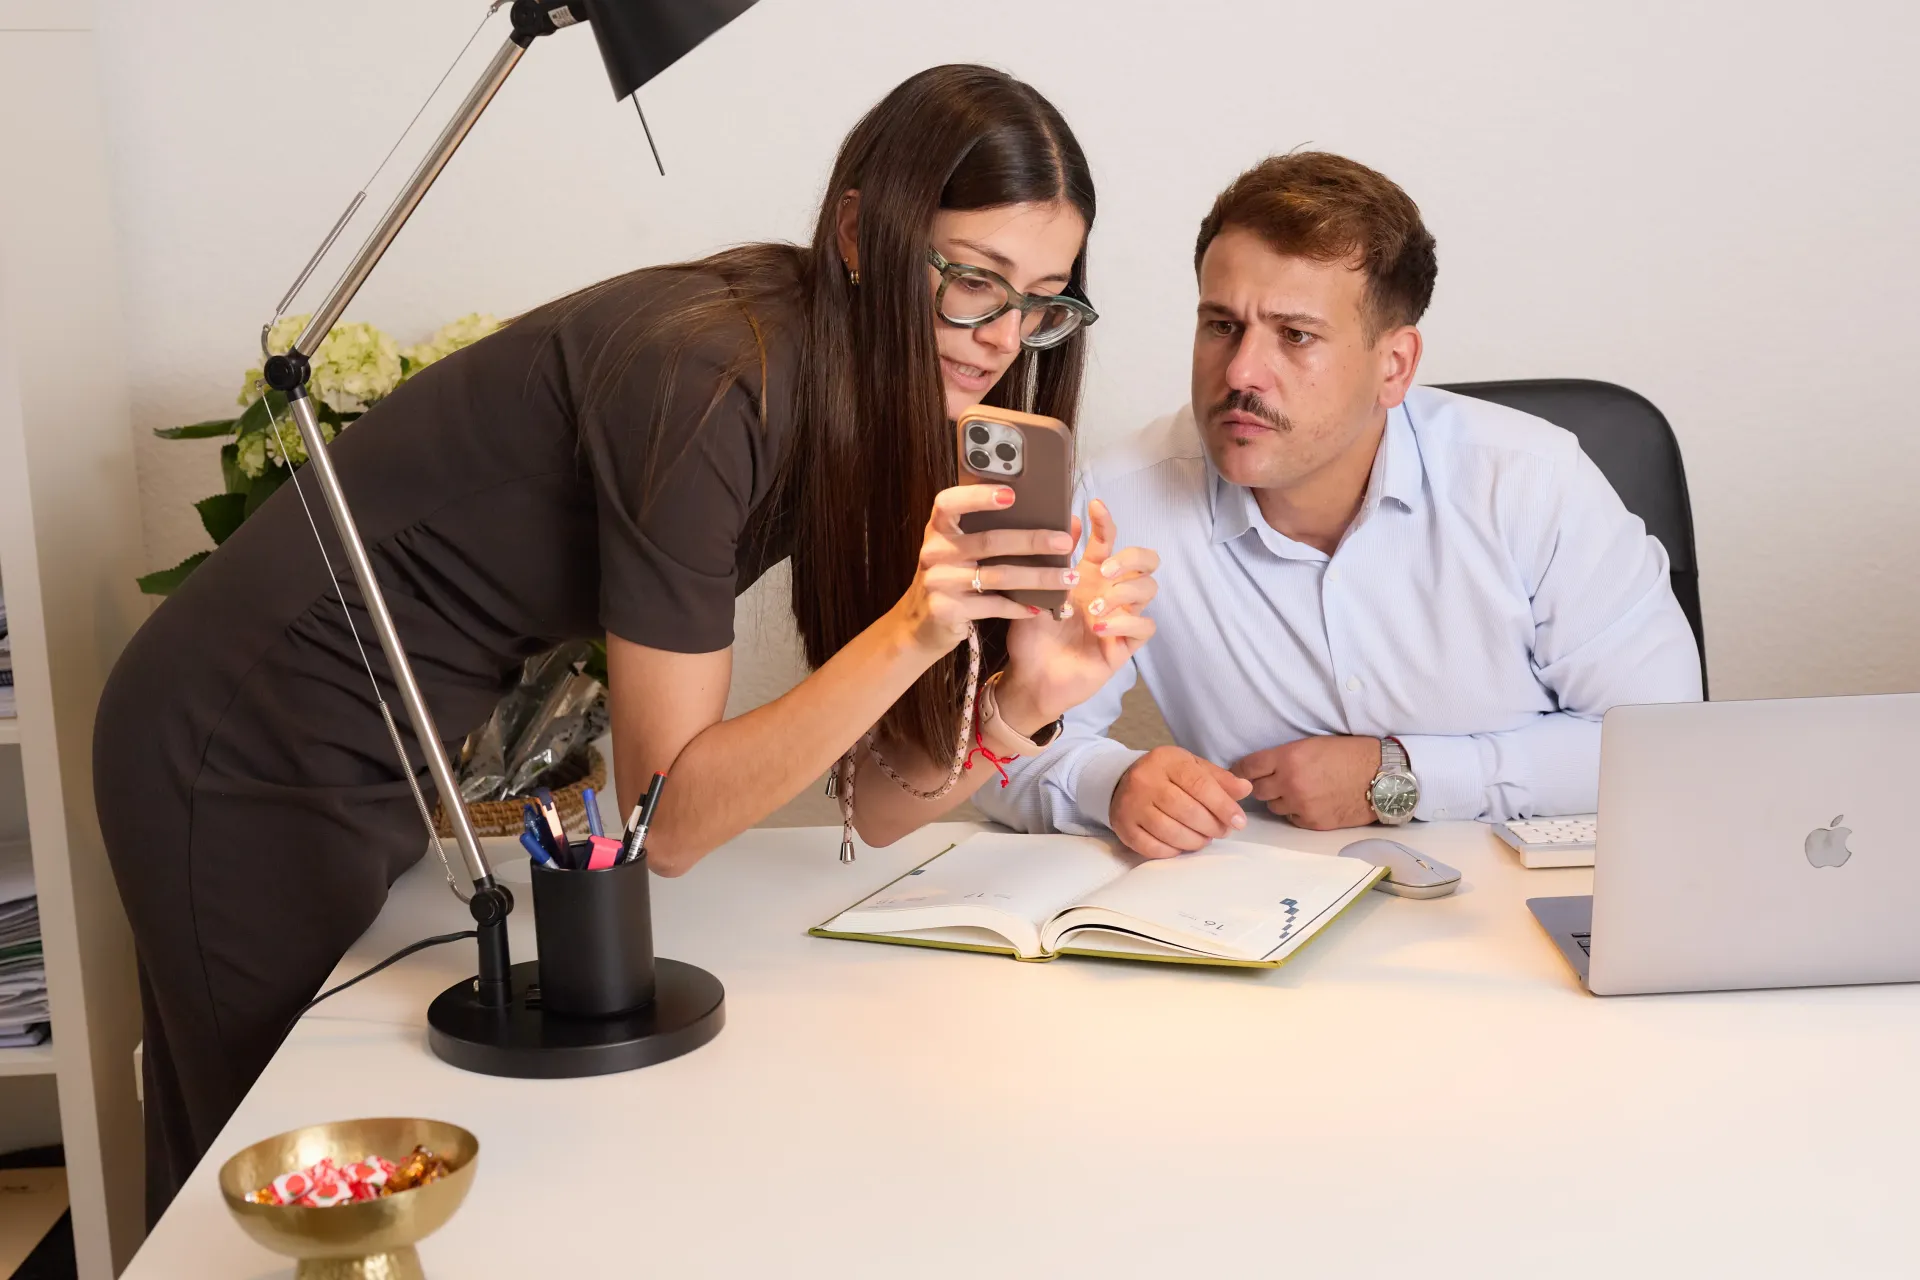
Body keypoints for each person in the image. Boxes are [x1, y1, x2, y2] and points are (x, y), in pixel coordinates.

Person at [94, 65, 1160, 1219]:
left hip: (390, 742)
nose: (1003, 339)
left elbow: (872, 801)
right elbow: (673, 816)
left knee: (321, 1162)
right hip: (239, 733)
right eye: (970, 282)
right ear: (861, 231)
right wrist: (914, 629)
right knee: (267, 1180)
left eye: (1044, 300)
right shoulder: (711, 380)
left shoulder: (869, 397)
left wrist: (1019, 697)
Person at [978, 151, 1700, 857]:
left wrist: (1402, 776)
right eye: (1222, 325)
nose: (1241, 372)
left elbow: (1663, 746)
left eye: (1296, 336)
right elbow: (988, 756)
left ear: (1394, 366)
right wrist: (1113, 783)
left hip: (1527, 902)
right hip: (1269, 917)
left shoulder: (1532, 483)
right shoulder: (1119, 499)